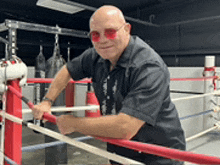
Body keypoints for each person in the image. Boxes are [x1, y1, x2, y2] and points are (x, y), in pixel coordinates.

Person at [33, 5, 186, 165]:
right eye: (95, 35)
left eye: (110, 32)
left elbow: (125, 127)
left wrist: (73, 123)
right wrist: (47, 101)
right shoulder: (96, 56)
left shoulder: (148, 67)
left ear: (127, 29)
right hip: (121, 149)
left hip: (159, 155)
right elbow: (67, 70)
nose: (103, 40)